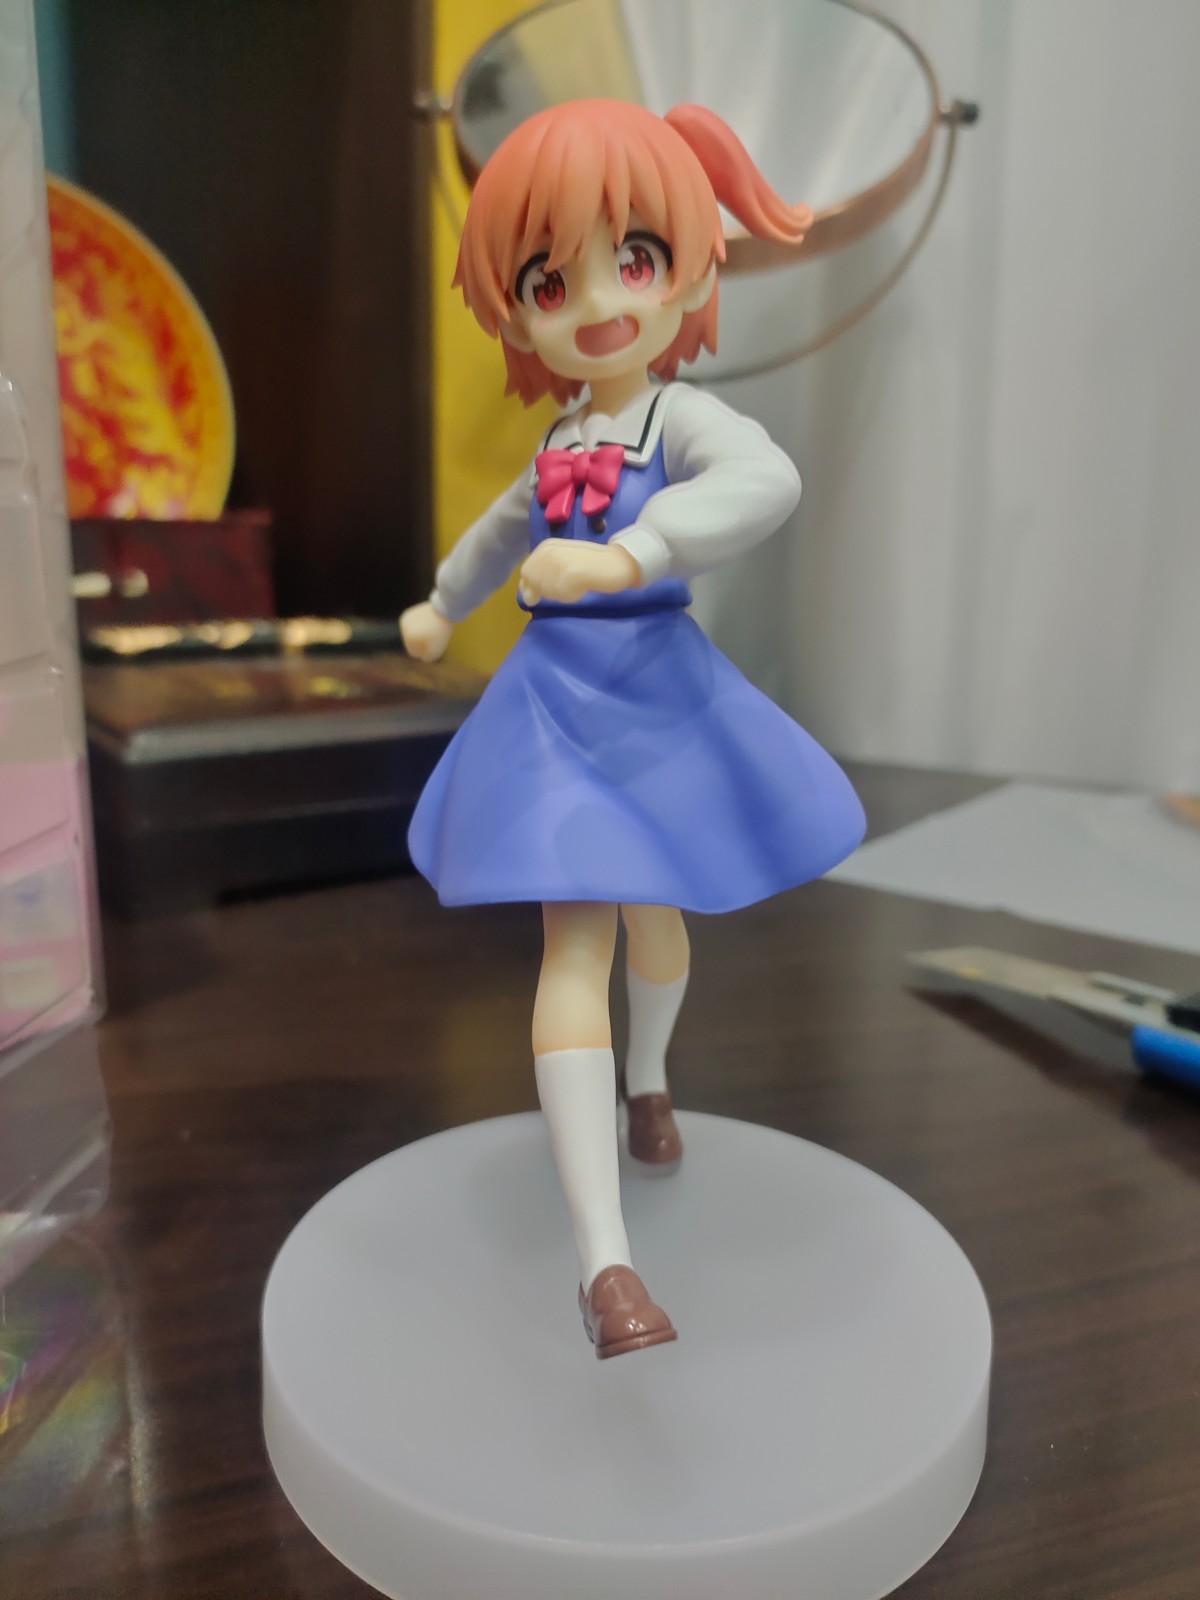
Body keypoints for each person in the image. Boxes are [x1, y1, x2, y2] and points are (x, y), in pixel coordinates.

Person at [401, 100, 865, 1359]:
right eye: (550, 280)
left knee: (656, 920)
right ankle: (606, 1263)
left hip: (659, 696)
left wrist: (635, 553)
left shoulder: (677, 420)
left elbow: (766, 479)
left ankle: (648, 1080)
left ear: (691, 269)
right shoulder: (558, 438)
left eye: (637, 259)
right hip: (553, 709)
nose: (598, 301)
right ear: (516, 310)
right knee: (573, 942)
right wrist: (443, 602)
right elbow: (501, 530)